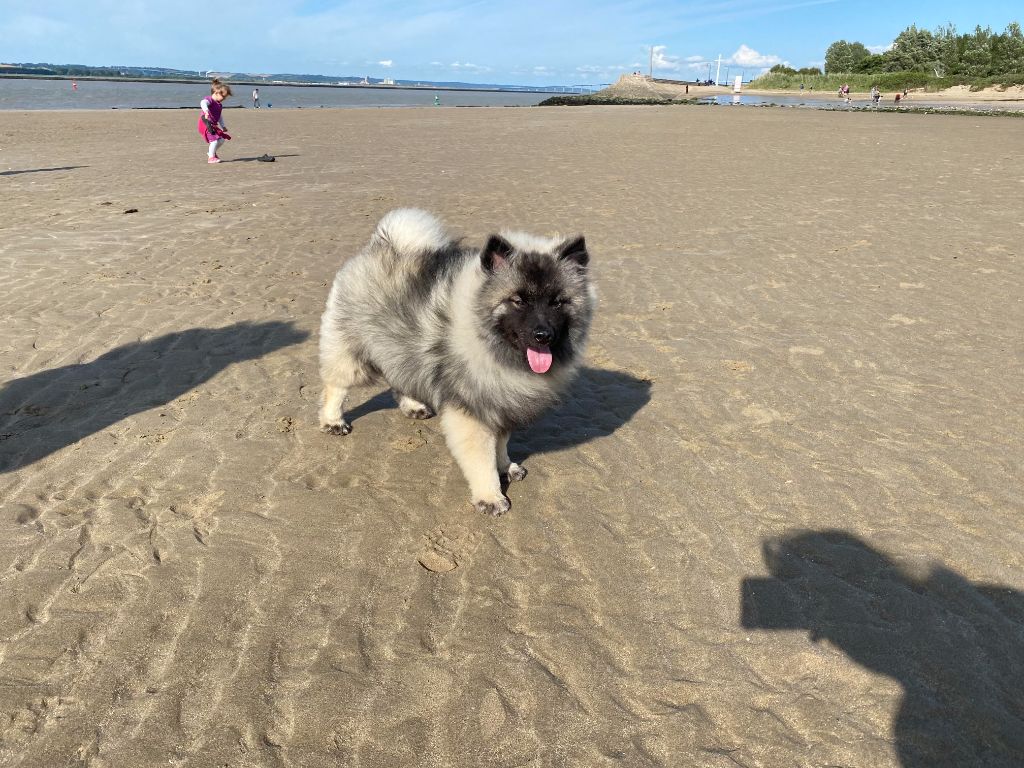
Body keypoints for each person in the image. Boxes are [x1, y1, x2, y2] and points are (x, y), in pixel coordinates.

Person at [198, 79, 232, 164]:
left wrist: (223, 126)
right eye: (223, 96)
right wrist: (206, 111)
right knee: (214, 141)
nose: (224, 99)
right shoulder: (210, 100)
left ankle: (211, 153)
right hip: (206, 123)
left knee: (221, 140)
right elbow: (203, 102)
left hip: (213, 125)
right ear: (216, 93)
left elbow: (219, 116)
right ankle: (211, 158)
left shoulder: (219, 104)